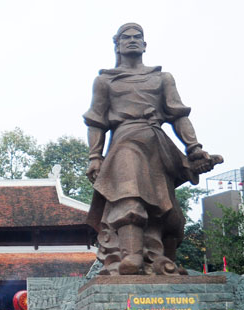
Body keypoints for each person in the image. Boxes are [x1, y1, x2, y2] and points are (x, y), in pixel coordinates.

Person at [84, 22, 220, 276]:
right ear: (118, 45)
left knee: (167, 212)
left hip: (157, 145)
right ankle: (131, 256)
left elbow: (178, 116)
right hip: (125, 141)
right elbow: (96, 121)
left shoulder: (162, 78)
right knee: (129, 195)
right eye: (127, 37)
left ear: (145, 45)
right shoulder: (105, 81)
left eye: (138, 37)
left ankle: (161, 259)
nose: (133, 40)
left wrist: (194, 148)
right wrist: (95, 156)